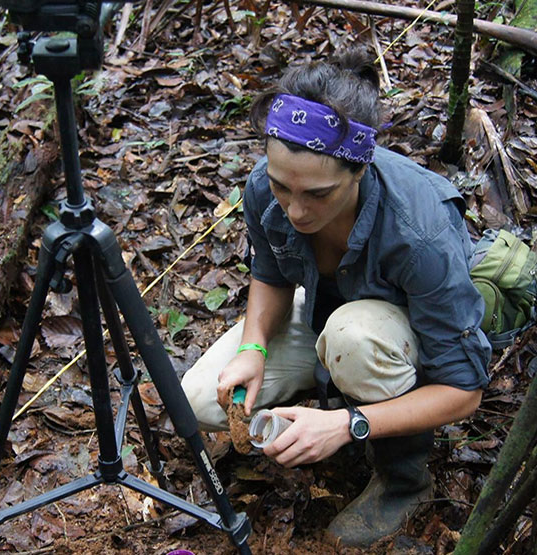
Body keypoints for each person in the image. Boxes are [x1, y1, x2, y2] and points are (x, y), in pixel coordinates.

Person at [180, 45, 491, 547]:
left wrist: (351, 425)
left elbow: (464, 390)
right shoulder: (266, 188)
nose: (297, 210)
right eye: (284, 187)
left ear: (360, 170)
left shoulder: (419, 231)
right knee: (201, 400)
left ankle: (403, 480)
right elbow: (271, 274)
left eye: (318, 195)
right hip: (324, 314)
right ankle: (326, 401)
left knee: (354, 340)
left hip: (398, 331)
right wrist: (253, 347)